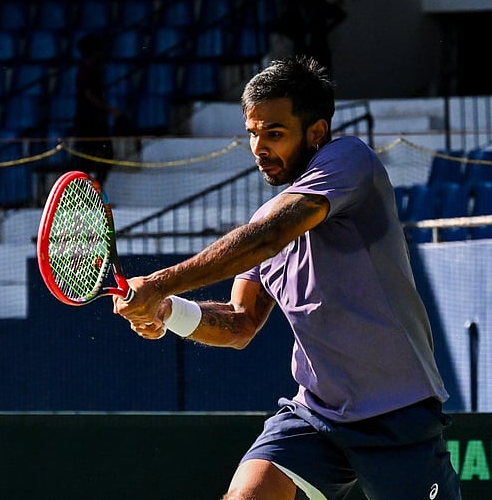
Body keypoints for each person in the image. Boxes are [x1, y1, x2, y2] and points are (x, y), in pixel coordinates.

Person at [114, 56, 462, 500]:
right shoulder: (262, 224)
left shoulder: (349, 160)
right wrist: (167, 311)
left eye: (274, 134)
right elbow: (239, 323)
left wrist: (161, 282)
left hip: (397, 412)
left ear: (316, 133)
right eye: (253, 134)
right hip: (315, 415)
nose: (259, 148)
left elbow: (271, 235)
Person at [73, 33, 121, 183]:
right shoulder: (85, 70)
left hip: (95, 120)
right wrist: (109, 109)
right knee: (88, 159)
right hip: (88, 121)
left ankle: (96, 192)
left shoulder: (92, 68)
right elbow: (89, 95)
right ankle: (88, 194)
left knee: (105, 156)